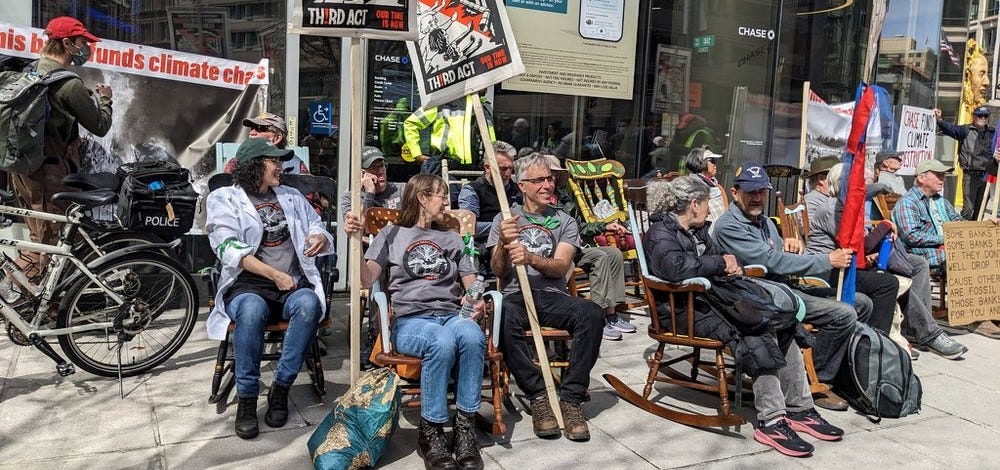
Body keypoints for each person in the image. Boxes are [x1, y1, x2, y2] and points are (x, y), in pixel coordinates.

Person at [644, 176, 843, 457]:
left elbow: (717, 256)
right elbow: (676, 269)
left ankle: (800, 408)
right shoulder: (660, 233)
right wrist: (719, 263)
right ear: (693, 204)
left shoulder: (697, 230)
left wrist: (730, 262)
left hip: (710, 299)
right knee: (755, 330)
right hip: (681, 310)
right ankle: (771, 420)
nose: (709, 211)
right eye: (706, 205)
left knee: (781, 320)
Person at [343, 174, 486, 470]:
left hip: (451, 315)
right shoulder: (391, 235)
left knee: (472, 335)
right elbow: (367, 278)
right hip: (410, 320)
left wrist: (477, 298)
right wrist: (354, 243)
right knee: (440, 341)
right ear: (422, 198)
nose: (447, 202)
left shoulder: (451, 237)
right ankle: (430, 432)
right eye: (441, 196)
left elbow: (471, 282)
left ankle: (464, 430)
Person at [205, 138, 335, 439]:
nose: (280, 166)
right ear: (254, 166)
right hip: (247, 284)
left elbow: (316, 225)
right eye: (273, 161)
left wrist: (319, 238)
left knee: (309, 305)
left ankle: (280, 388)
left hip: (290, 283)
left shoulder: (290, 195)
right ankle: (248, 399)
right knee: (250, 311)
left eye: (280, 161)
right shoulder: (224, 198)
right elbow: (228, 248)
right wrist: (273, 275)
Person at [713, 163, 857, 411]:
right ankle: (817, 379)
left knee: (860, 302)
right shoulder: (729, 226)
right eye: (751, 192)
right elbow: (771, 261)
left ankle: (831, 371)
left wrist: (792, 242)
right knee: (845, 313)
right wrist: (826, 260)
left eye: (762, 191)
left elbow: (778, 252)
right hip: (763, 296)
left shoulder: (765, 222)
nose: (758, 197)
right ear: (735, 193)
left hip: (783, 288)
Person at [487, 153, 604, 441]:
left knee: (592, 313)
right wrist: (503, 243)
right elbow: (499, 271)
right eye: (538, 180)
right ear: (522, 185)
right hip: (515, 295)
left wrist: (529, 257)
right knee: (503, 319)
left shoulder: (564, 221)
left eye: (549, 178)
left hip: (552, 294)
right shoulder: (505, 218)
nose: (547, 185)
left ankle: (571, 398)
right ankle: (538, 395)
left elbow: (561, 267)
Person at [820, 163, 969, 359]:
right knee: (892, 281)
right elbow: (858, 246)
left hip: (853, 263)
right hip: (832, 270)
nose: (866, 189)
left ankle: (922, 327)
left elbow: (859, 247)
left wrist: (979, 229)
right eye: (862, 184)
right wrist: (884, 227)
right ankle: (926, 333)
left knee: (917, 264)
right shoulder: (835, 209)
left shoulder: (849, 207)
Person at [9, 16, 112, 280]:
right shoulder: (68, 84)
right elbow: (100, 126)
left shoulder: (30, 71)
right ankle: (34, 308)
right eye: (82, 42)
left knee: (38, 239)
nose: (85, 48)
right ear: (67, 44)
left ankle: (30, 308)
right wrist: (105, 99)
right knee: (51, 246)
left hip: (22, 171)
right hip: (50, 175)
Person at [892, 159, 1000, 340]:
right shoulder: (908, 202)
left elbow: (959, 225)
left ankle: (990, 308)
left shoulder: (940, 201)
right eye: (938, 175)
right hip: (923, 253)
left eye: (943, 175)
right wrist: (947, 238)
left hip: (947, 248)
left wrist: (984, 227)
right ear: (921, 178)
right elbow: (911, 236)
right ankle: (976, 317)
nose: (942, 178)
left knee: (989, 255)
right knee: (969, 261)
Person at [542, 154, 635, 341]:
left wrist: (604, 226)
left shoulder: (564, 198)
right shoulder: (540, 201)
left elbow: (580, 226)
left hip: (575, 246)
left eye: (554, 176)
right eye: (548, 175)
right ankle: (598, 316)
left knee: (614, 253)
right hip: (556, 251)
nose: (551, 181)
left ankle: (612, 313)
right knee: (600, 256)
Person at [803, 157, 896, 335]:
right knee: (886, 283)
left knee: (886, 272)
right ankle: (875, 339)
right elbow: (862, 246)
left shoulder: (843, 206)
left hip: (839, 265)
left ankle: (892, 333)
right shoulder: (834, 209)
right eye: (856, 184)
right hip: (823, 269)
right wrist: (885, 225)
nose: (861, 188)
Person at [457, 141, 522, 277]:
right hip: (487, 249)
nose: (508, 173)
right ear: (487, 167)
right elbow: (469, 228)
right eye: (503, 169)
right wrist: (501, 228)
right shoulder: (473, 190)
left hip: (519, 244)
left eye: (511, 168)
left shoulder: (516, 188)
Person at [403, 95, 494, 176]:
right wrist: (417, 154)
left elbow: (491, 140)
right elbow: (411, 123)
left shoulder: (484, 106)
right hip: (444, 165)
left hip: (475, 169)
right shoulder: (442, 101)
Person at [934, 106, 994, 220]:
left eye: (986, 116)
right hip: (970, 174)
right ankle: (962, 230)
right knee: (968, 208)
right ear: (974, 117)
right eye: (980, 116)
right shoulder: (966, 130)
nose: (983, 118)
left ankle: (975, 233)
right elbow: (950, 129)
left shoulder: (993, 132)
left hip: (986, 175)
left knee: (980, 208)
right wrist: (940, 120)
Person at [223, 112, 308, 174]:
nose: (252, 132)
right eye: (251, 128)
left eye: (260, 128)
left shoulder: (296, 166)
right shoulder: (237, 162)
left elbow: (309, 196)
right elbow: (226, 193)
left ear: (277, 138)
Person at [339, 146, 406, 216]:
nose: (380, 171)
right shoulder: (351, 198)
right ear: (362, 173)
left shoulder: (402, 190)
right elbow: (358, 224)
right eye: (374, 168)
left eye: (382, 166)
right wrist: (369, 194)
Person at [684, 146, 726, 229]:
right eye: (712, 161)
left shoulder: (715, 185)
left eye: (715, 161)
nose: (715, 164)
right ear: (701, 163)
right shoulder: (693, 187)